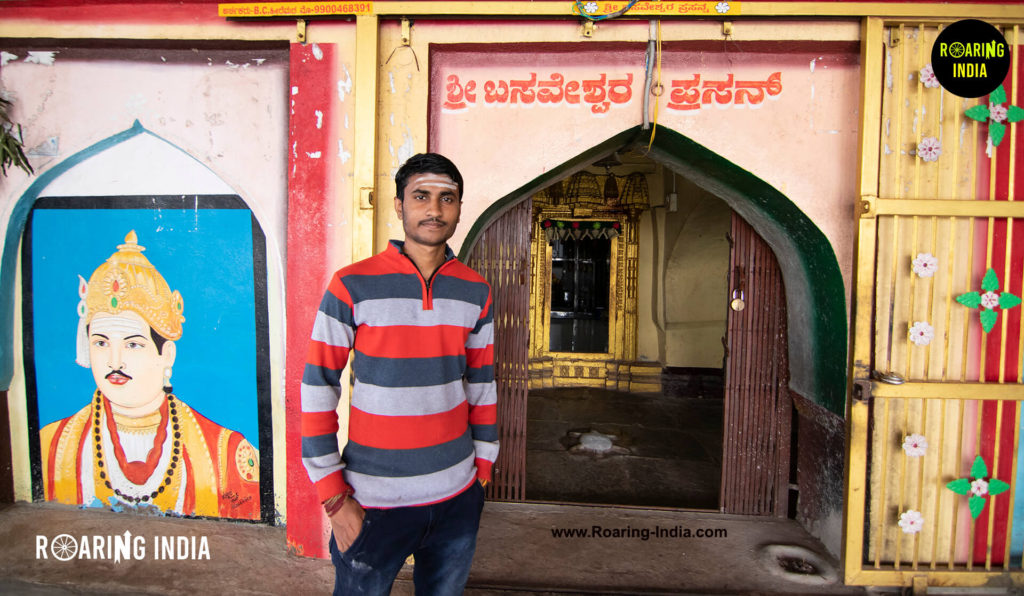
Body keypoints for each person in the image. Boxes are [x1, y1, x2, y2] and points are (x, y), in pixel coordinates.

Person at [301, 152, 498, 595]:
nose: (434, 209)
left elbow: (482, 385)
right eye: (421, 196)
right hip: (372, 501)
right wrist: (334, 498)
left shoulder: (475, 290)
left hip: (456, 496)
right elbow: (317, 387)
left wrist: (481, 471)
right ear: (398, 205)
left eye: (447, 198)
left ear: (460, 207)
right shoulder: (352, 284)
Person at [40, 230, 260, 519]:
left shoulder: (227, 454)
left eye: (133, 344)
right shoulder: (52, 446)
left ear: (166, 354)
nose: (114, 361)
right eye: (101, 343)